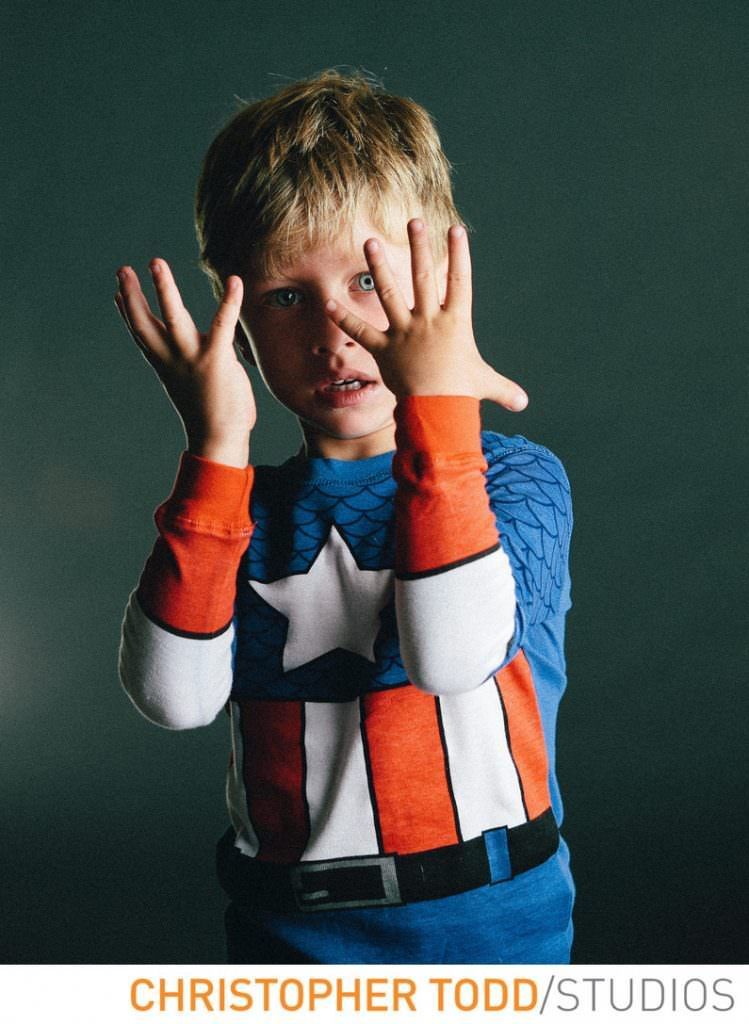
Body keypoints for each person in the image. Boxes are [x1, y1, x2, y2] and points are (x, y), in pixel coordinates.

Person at [115, 69, 575, 964]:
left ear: (441, 271)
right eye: (286, 298)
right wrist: (216, 444)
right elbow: (175, 699)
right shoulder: (231, 514)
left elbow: (450, 656)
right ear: (240, 322)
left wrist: (437, 399)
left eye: (367, 279)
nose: (335, 336)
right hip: (284, 939)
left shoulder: (514, 480)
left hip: (488, 935)